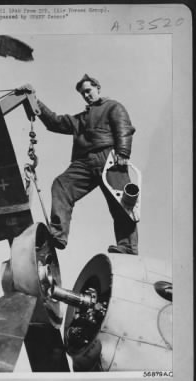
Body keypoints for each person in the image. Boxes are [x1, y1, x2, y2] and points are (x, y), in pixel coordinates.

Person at [19, 74, 138, 255]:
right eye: (83, 93)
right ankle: (58, 234)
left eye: (88, 91)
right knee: (61, 185)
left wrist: (123, 152)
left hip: (109, 158)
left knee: (121, 202)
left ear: (98, 88)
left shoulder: (113, 107)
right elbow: (54, 122)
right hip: (84, 163)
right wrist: (32, 99)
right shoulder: (80, 119)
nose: (86, 95)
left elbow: (124, 128)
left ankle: (127, 247)